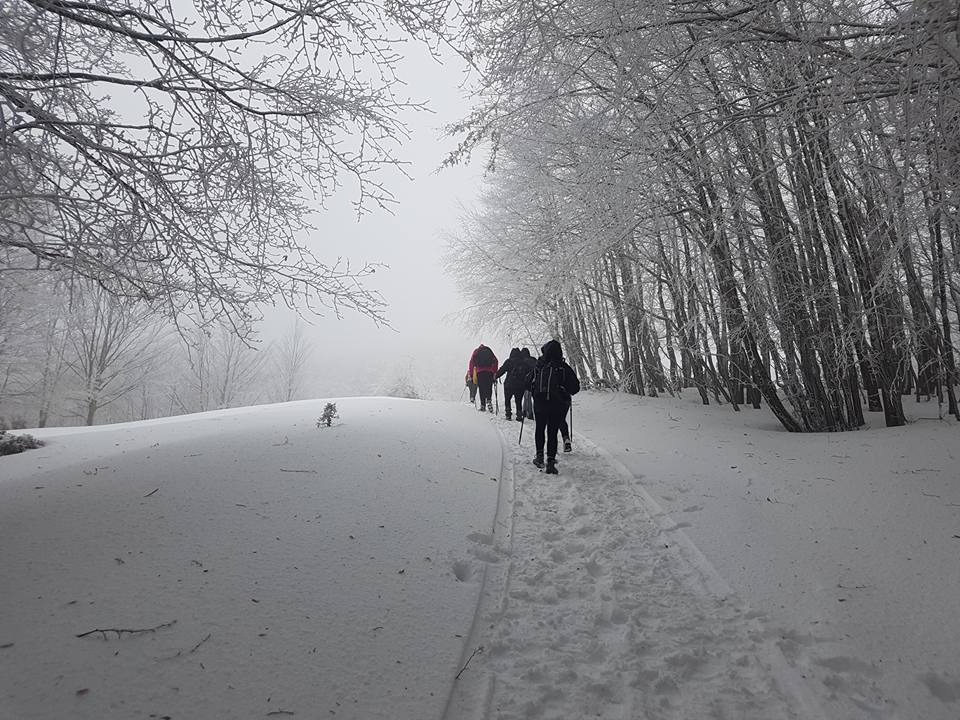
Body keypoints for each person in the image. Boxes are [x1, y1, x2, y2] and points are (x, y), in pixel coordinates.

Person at [529, 339, 580, 474]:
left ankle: (539, 457)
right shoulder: (563, 367)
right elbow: (575, 387)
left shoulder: (539, 365)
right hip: (558, 405)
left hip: (540, 403)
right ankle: (550, 462)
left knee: (540, 428)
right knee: (552, 432)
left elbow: (527, 383)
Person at [495, 348, 527, 421]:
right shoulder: (523, 362)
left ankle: (508, 414)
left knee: (507, 399)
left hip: (509, 384)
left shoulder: (509, 361)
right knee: (518, 400)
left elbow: (502, 370)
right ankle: (519, 414)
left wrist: (495, 377)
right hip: (520, 385)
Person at [467, 344, 499, 412]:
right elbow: (496, 361)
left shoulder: (476, 351)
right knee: (489, 387)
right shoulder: (489, 350)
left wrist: (472, 375)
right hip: (489, 372)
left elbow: (471, 363)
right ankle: (489, 401)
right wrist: (494, 372)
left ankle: (483, 405)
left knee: (481, 388)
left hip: (480, 372)